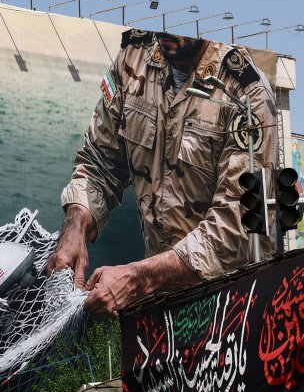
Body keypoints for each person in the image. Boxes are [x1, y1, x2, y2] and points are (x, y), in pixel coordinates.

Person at [48, 30, 278, 316]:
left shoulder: (245, 93)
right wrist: (76, 224)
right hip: (159, 309)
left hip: (234, 311)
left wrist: (137, 278)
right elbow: (99, 161)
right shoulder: (134, 60)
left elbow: (236, 234)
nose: (164, 31)